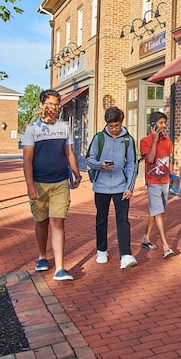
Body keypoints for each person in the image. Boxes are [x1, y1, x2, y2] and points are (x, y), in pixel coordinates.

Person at [22, 89, 82, 281]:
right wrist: (30, 185)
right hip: (39, 183)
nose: (53, 108)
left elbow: (69, 153)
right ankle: (42, 256)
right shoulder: (32, 129)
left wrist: (76, 172)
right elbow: (27, 160)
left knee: (58, 222)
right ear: (41, 105)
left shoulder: (64, 127)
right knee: (41, 221)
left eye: (56, 104)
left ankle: (60, 268)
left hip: (60, 182)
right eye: (49, 104)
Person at [86, 106, 138, 269]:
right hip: (101, 187)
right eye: (111, 126)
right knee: (101, 219)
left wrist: (130, 187)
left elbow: (132, 164)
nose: (114, 129)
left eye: (117, 125)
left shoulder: (128, 139)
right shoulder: (98, 137)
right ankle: (101, 250)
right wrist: (100, 165)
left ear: (121, 123)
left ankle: (126, 255)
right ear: (107, 124)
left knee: (123, 221)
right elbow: (88, 159)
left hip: (121, 187)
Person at [139, 111, 175, 259]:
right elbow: (151, 158)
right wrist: (154, 140)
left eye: (164, 123)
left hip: (165, 181)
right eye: (161, 123)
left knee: (156, 211)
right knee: (159, 212)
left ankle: (145, 237)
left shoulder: (167, 140)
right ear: (153, 125)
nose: (164, 125)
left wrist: (172, 177)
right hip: (153, 182)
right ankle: (166, 246)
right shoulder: (145, 141)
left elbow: (168, 159)